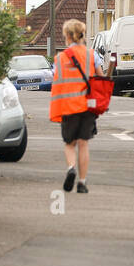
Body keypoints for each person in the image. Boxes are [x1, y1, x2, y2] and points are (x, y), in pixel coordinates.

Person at [49, 19, 97, 194]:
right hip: (87, 106)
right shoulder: (92, 55)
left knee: (70, 144)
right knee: (83, 144)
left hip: (68, 106)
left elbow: (57, 81)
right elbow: (99, 79)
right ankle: (82, 183)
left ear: (67, 36)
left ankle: (71, 168)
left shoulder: (60, 59)